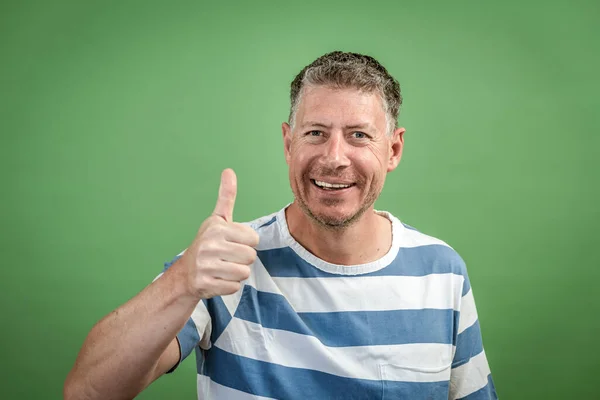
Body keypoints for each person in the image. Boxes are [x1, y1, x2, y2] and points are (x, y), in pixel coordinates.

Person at [64, 51, 498, 400]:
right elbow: (87, 392)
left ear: (394, 149)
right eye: (315, 133)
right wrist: (181, 281)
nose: (334, 157)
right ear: (288, 143)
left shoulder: (442, 272)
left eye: (359, 135)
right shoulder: (223, 267)